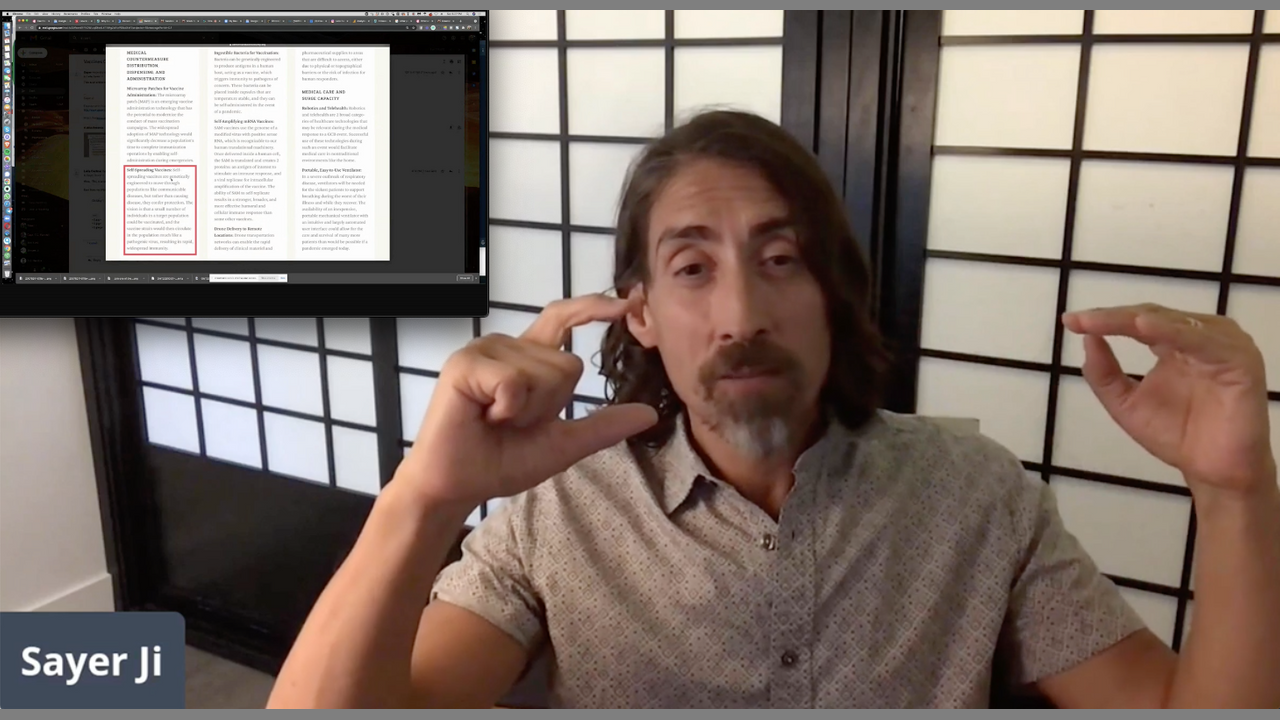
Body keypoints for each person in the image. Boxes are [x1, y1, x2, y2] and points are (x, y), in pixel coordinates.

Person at [267, 111, 1280, 709]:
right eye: (692, 267)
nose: (742, 314)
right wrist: (424, 500)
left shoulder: (975, 497)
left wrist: (1235, 494)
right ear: (641, 314)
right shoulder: (563, 508)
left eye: (782, 259)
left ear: (832, 293)